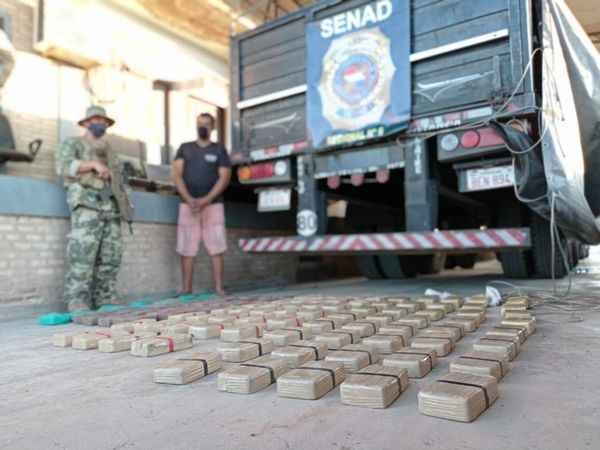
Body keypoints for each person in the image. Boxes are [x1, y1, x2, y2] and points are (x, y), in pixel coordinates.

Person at [55, 106, 133, 312]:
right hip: (87, 204)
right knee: (82, 253)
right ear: (86, 123)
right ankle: (77, 299)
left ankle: (106, 297)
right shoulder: (73, 144)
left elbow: (118, 178)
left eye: (104, 121)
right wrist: (92, 164)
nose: (101, 124)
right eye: (96, 120)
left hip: (111, 206)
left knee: (111, 254)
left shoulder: (110, 150)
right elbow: (62, 166)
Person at [172, 112, 231, 297]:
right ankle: (186, 289)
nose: (202, 126)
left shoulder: (219, 149)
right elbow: (176, 174)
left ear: (212, 127)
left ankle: (219, 288)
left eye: (206, 124)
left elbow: (225, 177)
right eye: (199, 123)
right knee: (186, 246)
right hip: (187, 204)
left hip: (213, 205)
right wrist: (188, 198)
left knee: (217, 245)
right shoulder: (185, 148)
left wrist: (207, 199)